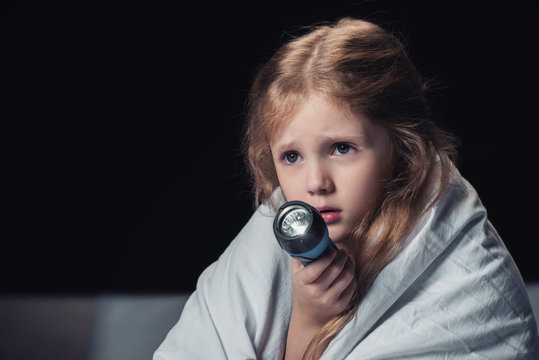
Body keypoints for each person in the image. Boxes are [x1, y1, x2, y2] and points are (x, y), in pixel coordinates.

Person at [154, 17, 538, 359]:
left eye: (341, 148)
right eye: (291, 157)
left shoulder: (467, 280)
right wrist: (307, 323)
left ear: (403, 147)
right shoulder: (278, 224)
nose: (315, 183)